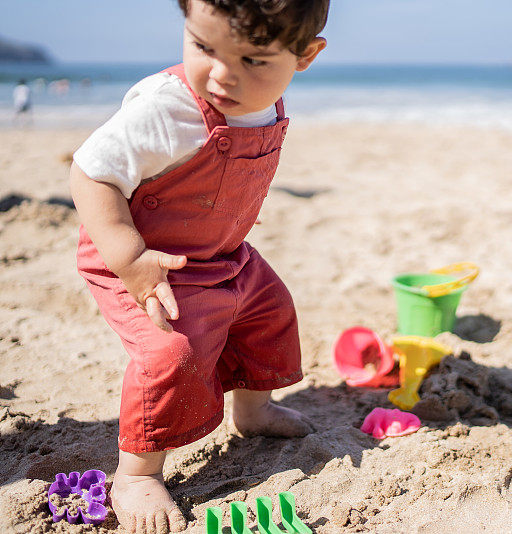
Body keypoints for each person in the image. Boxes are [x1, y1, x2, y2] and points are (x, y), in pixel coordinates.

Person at [68, 1, 328, 532]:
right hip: (143, 261)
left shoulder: (266, 104)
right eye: (204, 48)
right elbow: (91, 173)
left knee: (270, 313)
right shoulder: (166, 108)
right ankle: (138, 472)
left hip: (221, 255)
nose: (222, 74)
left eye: (254, 60)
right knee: (172, 353)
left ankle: (253, 412)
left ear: (304, 56)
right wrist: (131, 257)